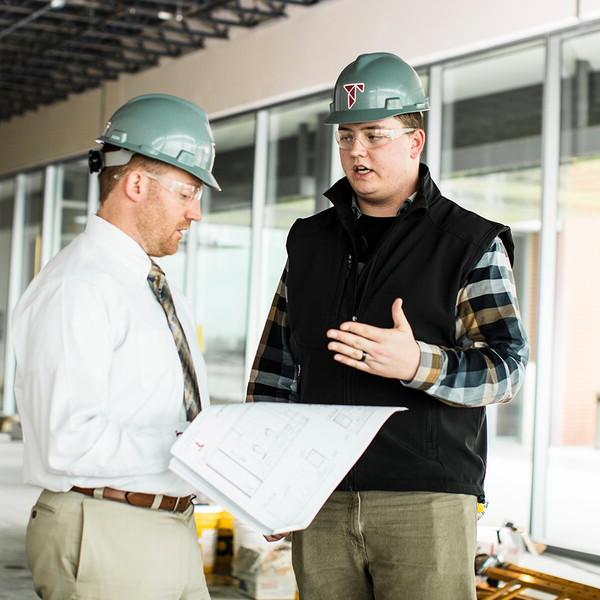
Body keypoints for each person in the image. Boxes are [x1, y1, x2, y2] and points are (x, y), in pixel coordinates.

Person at [247, 53, 529, 600]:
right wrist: (269, 480)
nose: (356, 151)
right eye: (346, 135)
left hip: (424, 501)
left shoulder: (469, 243)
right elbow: (276, 370)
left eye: (375, 135)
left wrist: (418, 364)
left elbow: (507, 368)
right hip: (320, 496)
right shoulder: (308, 242)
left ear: (414, 141)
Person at [12, 93, 220, 600]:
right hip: (106, 530)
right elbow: (69, 437)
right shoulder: (78, 286)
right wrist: (194, 450)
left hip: (167, 528)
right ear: (136, 183)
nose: (195, 213)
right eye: (188, 193)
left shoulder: (157, 288)